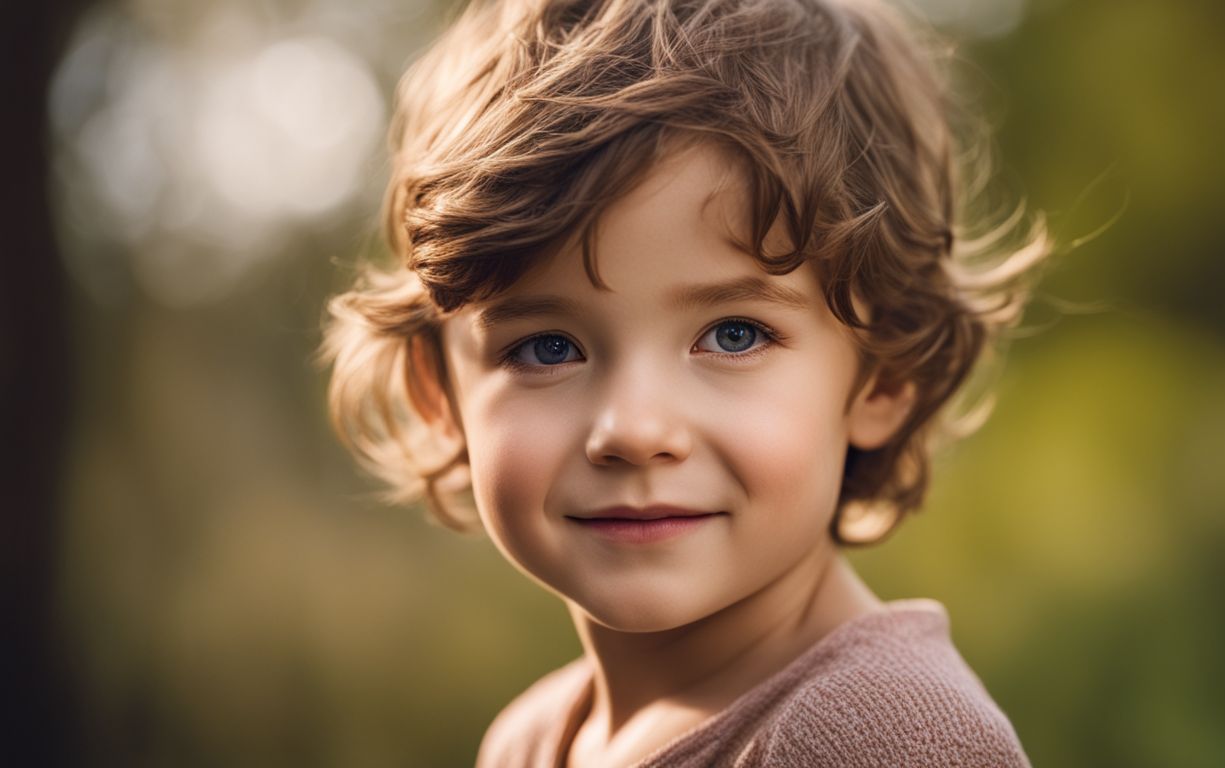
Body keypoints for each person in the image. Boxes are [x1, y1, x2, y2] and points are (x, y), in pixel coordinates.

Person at [322, 0, 1048, 764]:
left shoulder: (881, 738)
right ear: (437, 394)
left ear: (883, 375)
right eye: (547, 348)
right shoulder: (528, 741)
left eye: (734, 335)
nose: (634, 430)